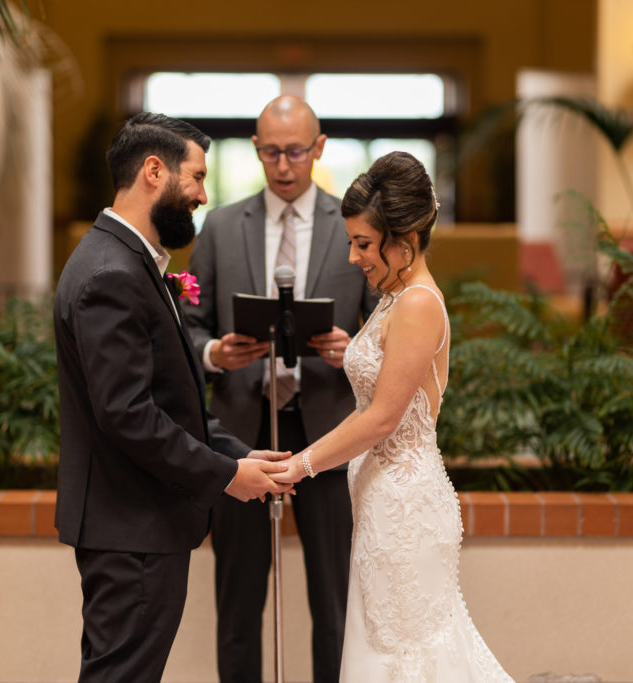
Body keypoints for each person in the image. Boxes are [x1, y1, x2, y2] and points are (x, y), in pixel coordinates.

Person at [53, 111, 292, 683]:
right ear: (154, 172)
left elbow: (169, 398)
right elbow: (127, 415)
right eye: (197, 177)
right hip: (132, 525)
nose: (203, 196)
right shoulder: (111, 272)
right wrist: (225, 476)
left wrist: (236, 453)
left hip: (138, 523)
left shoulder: (127, 260)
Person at [271, 151, 515, 682]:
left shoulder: (418, 304)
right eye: (352, 243)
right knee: (389, 651)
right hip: (382, 505)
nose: (354, 257)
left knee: (410, 658)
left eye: (363, 244)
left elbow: (382, 418)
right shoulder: (393, 297)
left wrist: (300, 465)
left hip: (406, 512)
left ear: (403, 241)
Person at [184, 95, 379, 683]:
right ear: (255, 150)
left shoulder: (354, 225)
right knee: (238, 600)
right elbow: (187, 324)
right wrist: (215, 353)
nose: (284, 164)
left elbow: (385, 321)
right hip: (241, 429)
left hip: (329, 428)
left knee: (335, 601)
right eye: (271, 152)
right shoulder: (220, 225)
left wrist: (357, 349)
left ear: (318, 148)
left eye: (296, 151)